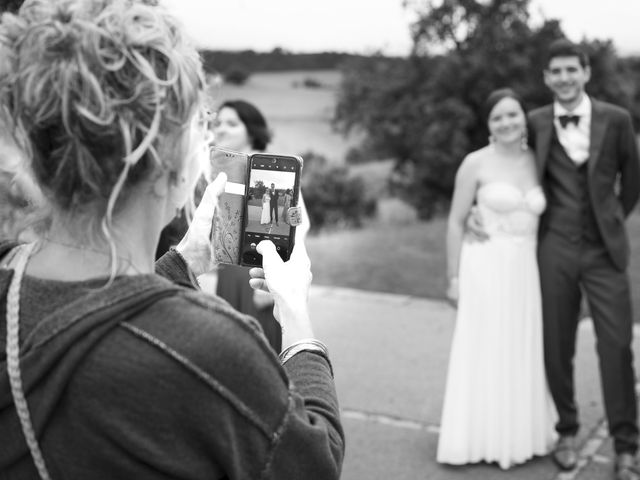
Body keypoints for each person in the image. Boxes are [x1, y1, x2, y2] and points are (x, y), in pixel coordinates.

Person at [0, 2, 344, 479]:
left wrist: (184, 260)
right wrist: (297, 320)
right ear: (172, 164)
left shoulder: (8, 276)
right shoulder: (212, 347)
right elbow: (315, 465)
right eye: (200, 129)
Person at [467, 40, 640, 480]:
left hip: (604, 251)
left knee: (617, 346)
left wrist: (612, 220)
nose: (563, 78)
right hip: (554, 248)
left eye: (571, 70)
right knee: (556, 343)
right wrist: (477, 209)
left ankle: (626, 446)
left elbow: (632, 181)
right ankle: (566, 429)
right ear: (546, 78)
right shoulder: (537, 122)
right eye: (555, 72)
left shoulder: (617, 120)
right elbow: (503, 163)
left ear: (585, 72)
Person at [437, 88, 557, 469]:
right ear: (489, 126)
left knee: (522, 345)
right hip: (484, 266)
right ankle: (476, 437)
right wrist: (453, 278)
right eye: (498, 117)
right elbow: (456, 222)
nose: (507, 123)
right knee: (484, 346)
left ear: (525, 118)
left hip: (526, 269)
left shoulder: (541, 160)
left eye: (513, 115)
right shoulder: (475, 163)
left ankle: (523, 434)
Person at [211, 100, 284, 352]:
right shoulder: (223, 169)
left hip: (258, 278)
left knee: (258, 353)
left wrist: (274, 282)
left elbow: (297, 224)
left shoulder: (269, 167)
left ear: (251, 130)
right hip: (228, 274)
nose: (221, 129)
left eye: (231, 123)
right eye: (218, 123)